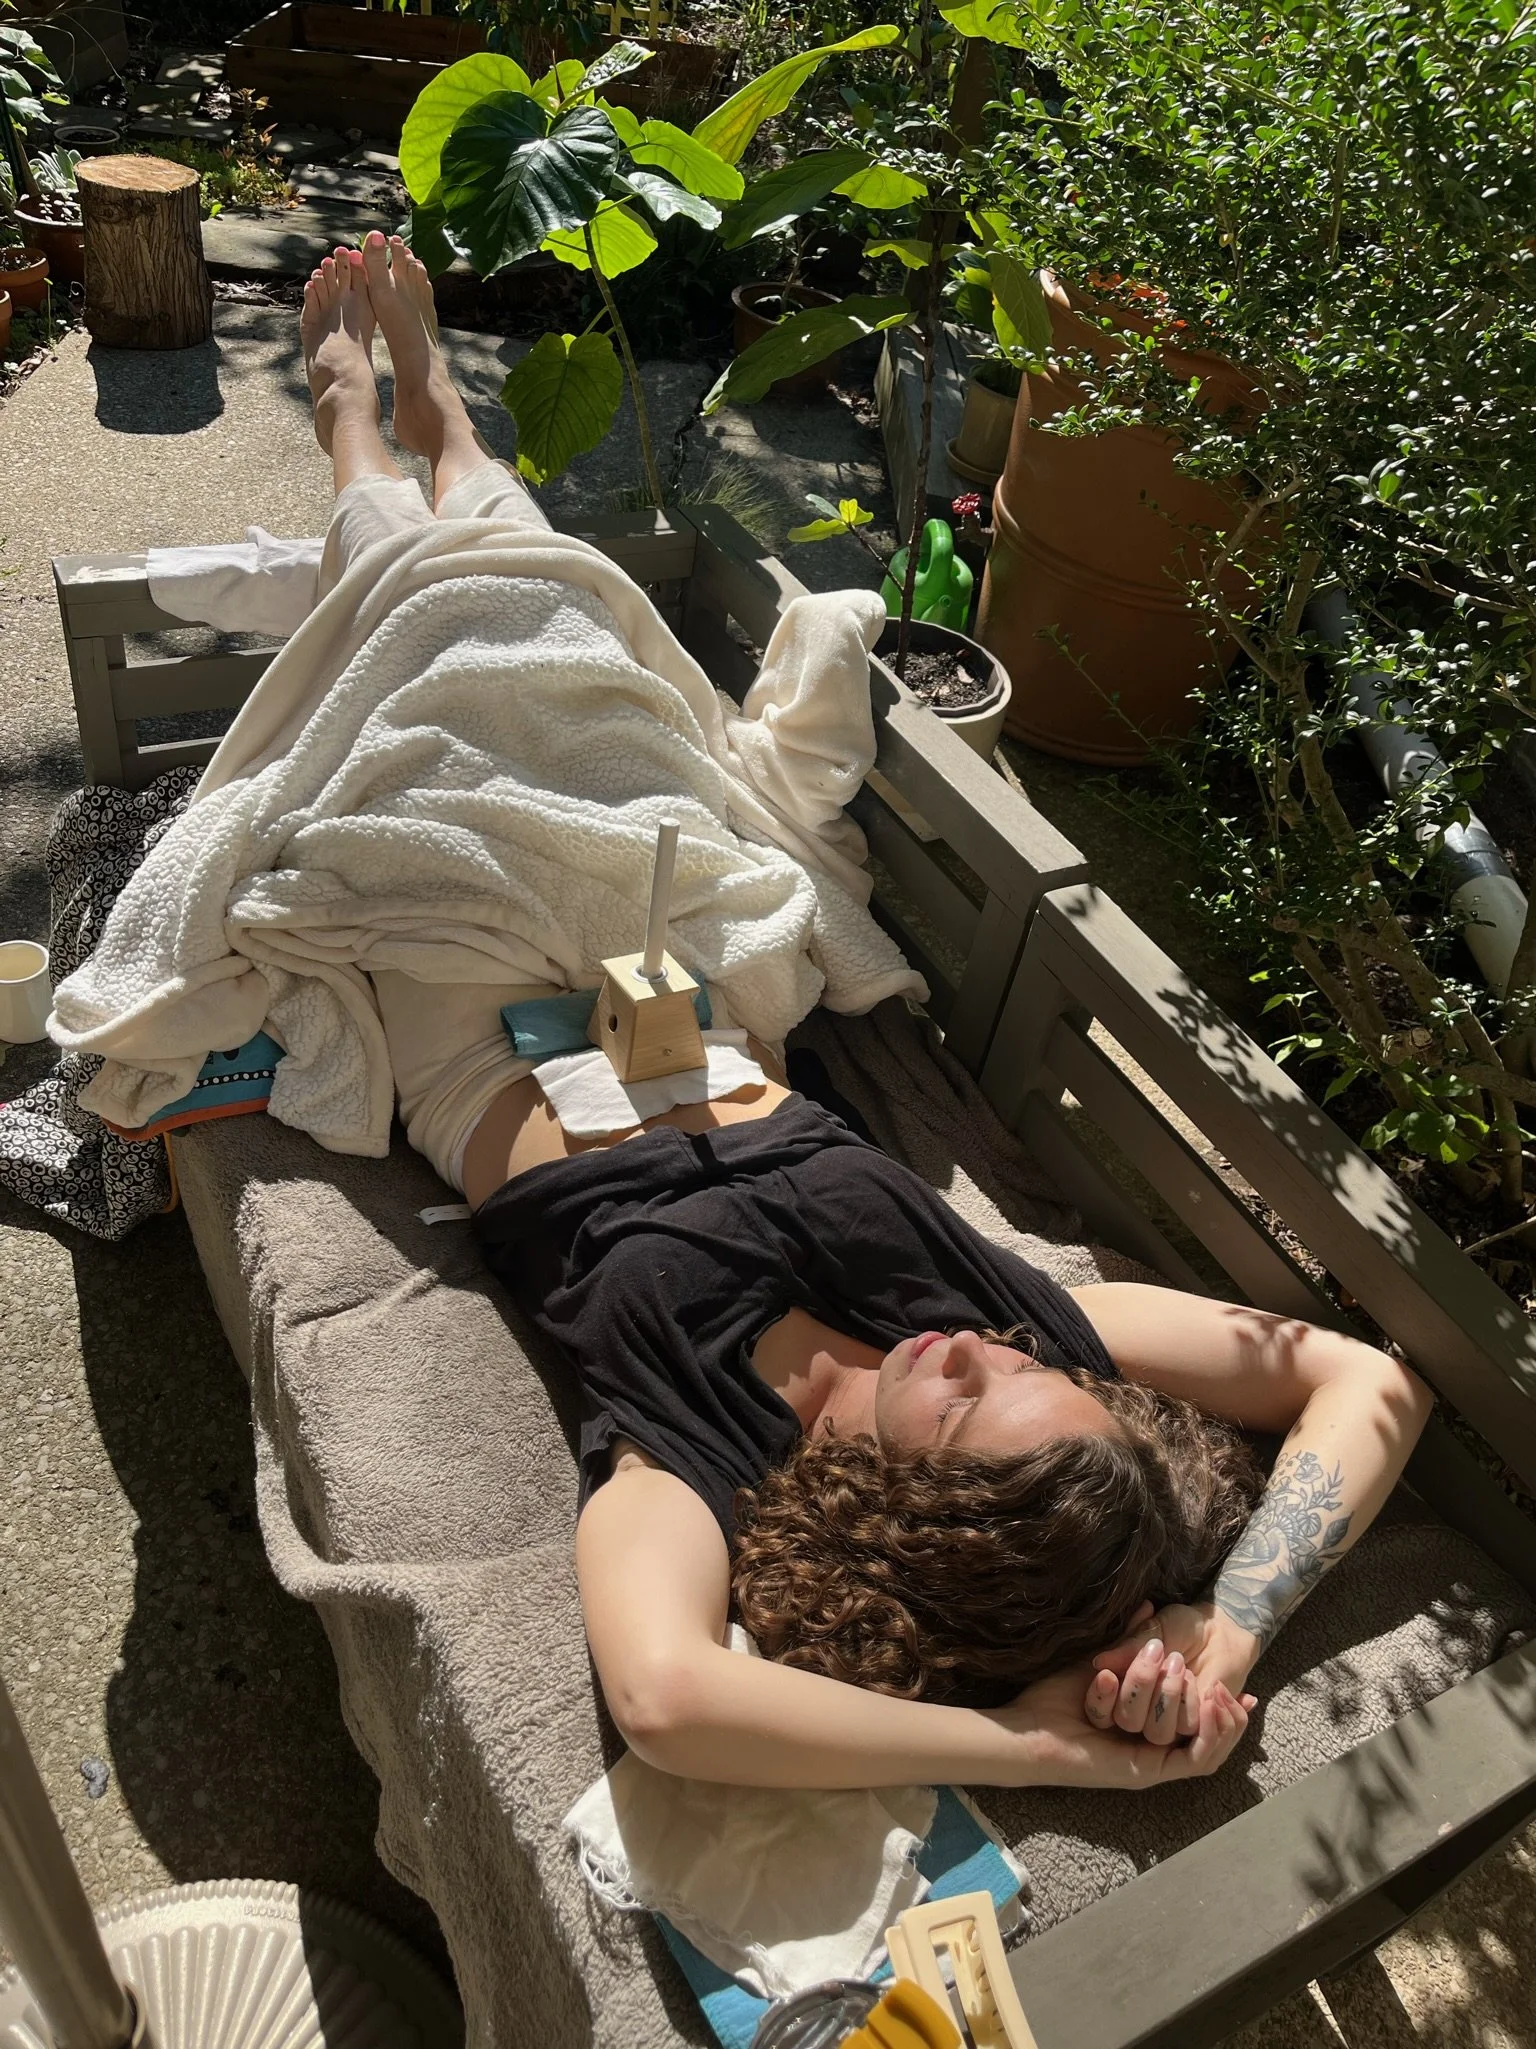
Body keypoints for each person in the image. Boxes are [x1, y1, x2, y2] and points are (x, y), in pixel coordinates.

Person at [302, 236, 1434, 1796]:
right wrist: (1222, 1635)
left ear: (915, 1518)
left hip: (474, 1008)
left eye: (964, 1401)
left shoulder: (708, 1462)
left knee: (441, 661)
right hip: (669, 961)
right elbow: (1368, 1382)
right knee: (553, 640)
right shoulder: (1018, 1336)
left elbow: (669, 1699)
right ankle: (451, 433)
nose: (968, 1347)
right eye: (1027, 1370)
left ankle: (360, 441)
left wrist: (1042, 1754)